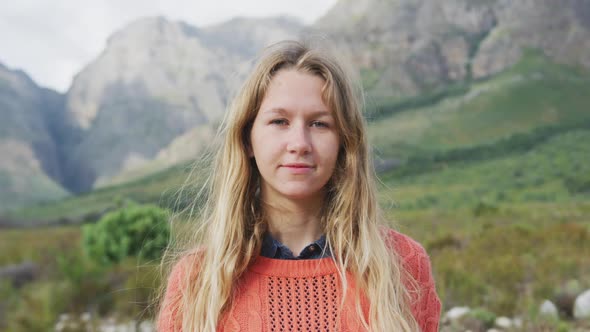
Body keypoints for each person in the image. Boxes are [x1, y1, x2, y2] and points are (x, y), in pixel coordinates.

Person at [157, 40, 441, 331]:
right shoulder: (197, 280)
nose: (299, 144)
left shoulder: (404, 264)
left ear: (344, 142)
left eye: (319, 124)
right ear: (247, 139)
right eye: (280, 121)